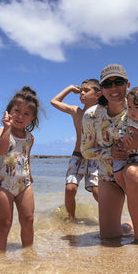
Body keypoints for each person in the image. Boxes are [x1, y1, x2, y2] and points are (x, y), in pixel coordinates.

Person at [81, 64, 138, 244]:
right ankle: (130, 224)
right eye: (108, 84)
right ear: (101, 90)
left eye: (118, 82)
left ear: (127, 85)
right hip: (108, 176)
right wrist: (110, 152)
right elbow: (85, 152)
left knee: (132, 172)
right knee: (109, 238)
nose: (113, 88)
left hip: (134, 173)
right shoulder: (91, 116)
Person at [0, 86, 40, 253]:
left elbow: (26, 157)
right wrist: (7, 128)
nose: (20, 116)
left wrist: (30, 175)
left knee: (28, 219)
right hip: (4, 184)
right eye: (17, 111)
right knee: (5, 222)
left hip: (24, 183)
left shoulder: (30, 137)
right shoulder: (1, 131)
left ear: (32, 118)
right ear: (8, 112)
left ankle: (28, 254)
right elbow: (0, 150)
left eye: (26, 113)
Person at [50, 80, 102, 221]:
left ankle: (109, 217)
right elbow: (54, 101)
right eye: (81, 91)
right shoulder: (76, 111)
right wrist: (69, 88)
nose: (82, 94)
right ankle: (71, 219)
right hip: (77, 155)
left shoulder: (103, 113)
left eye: (86, 91)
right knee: (70, 189)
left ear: (98, 94)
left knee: (97, 192)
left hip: (95, 157)